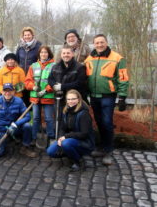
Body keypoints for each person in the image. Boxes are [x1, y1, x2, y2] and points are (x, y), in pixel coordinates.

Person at [84, 34, 129, 165]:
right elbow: (86, 77)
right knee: (98, 121)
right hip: (93, 96)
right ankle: (102, 147)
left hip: (108, 96)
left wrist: (122, 96)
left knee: (107, 122)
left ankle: (108, 150)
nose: (99, 45)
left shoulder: (117, 58)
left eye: (102, 42)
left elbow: (123, 78)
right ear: (94, 44)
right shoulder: (89, 59)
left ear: (106, 42)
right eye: (97, 43)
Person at [47, 89, 95, 171]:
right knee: (50, 151)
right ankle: (71, 153)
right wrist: (60, 138)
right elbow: (62, 128)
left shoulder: (84, 114)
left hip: (84, 142)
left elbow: (84, 134)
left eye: (73, 99)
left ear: (78, 99)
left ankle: (78, 161)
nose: (70, 101)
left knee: (66, 144)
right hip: (69, 139)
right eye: (68, 99)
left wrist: (65, 137)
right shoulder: (66, 111)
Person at [0, 83, 35, 157]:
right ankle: (5, 142)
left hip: (14, 128)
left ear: (13, 92)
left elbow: (28, 116)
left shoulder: (19, 101)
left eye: (10, 91)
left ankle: (25, 147)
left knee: (27, 126)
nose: (7, 93)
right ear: (2, 92)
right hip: (1, 129)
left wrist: (15, 124)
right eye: (5, 91)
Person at [25, 46, 56, 143]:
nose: (43, 54)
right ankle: (35, 137)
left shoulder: (54, 66)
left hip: (48, 97)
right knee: (36, 118)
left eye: (45, 52)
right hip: (35, 97)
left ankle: (51, 137)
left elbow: (55, 81)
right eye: (42, 52)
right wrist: (33, 87)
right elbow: (27, 81)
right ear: (39, 54)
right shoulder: (33, 66)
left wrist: (46, 90)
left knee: (49, 118)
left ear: (49, 54)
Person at [15, 27, 42, 105]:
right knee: (23, 95)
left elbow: (40, 60)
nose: (27, 37)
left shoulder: (38, 46)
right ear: (22, 36)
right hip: (22, 75)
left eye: (28, 35)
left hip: (33, 75)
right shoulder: (20, 47)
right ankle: (25, 113)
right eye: (25, 35)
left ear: (32, 35)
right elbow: (17, 60)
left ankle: (34, 112)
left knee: (32, 95)